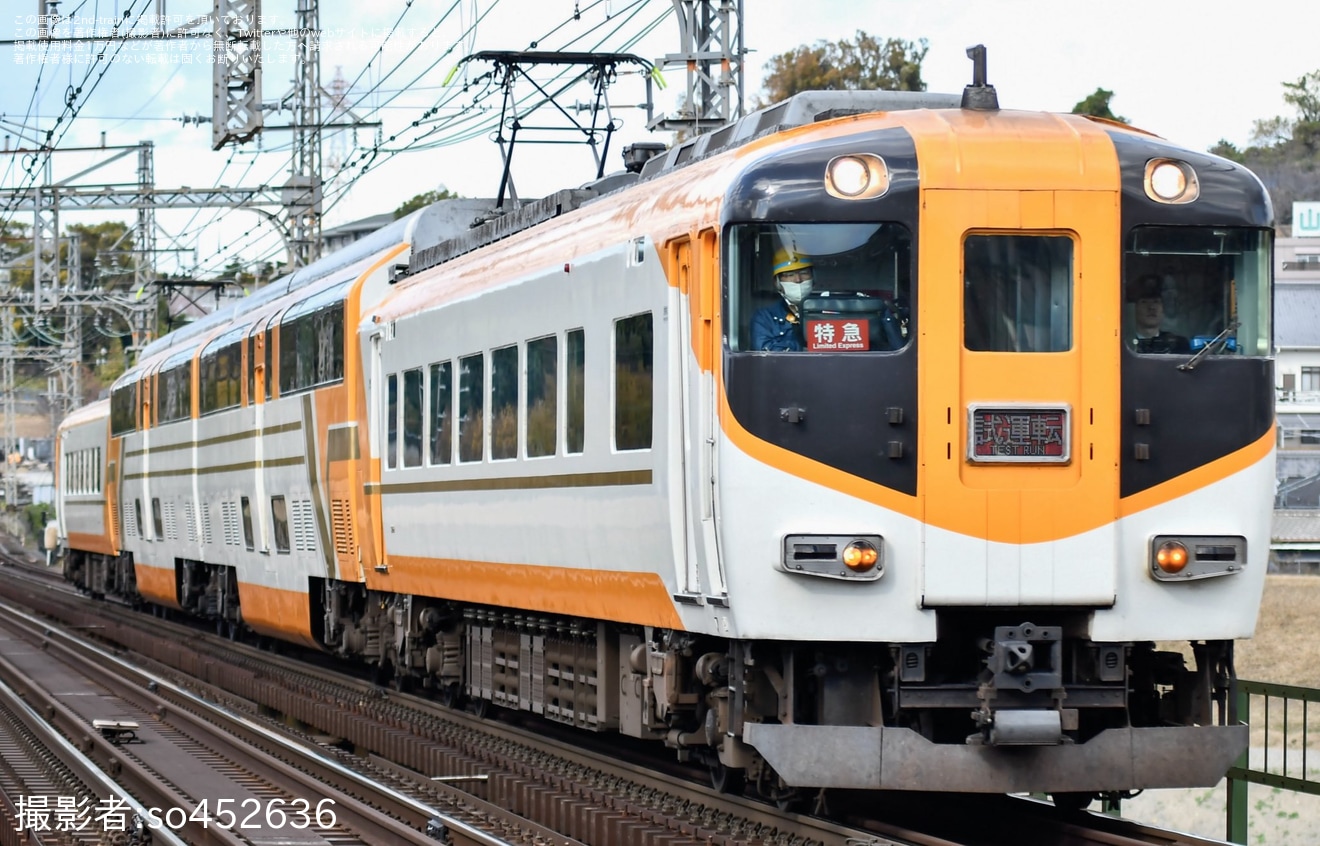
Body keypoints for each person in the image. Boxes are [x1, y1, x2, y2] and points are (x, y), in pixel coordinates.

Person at [750, 248, 813, 351]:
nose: (798, 280)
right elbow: (764, 352)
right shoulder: (765, 318)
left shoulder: (830, 311)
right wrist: (804, 348)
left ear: (813, 276)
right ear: (777, 282)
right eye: (789, 275)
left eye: (804, 272)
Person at [1128, 274, 1190, 354]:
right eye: (1144, 302)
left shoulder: (1179, 345)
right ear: (1134, 308)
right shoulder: (1123, 344)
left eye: (1156, 301)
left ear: (1163, 308)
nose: (1151, 307)